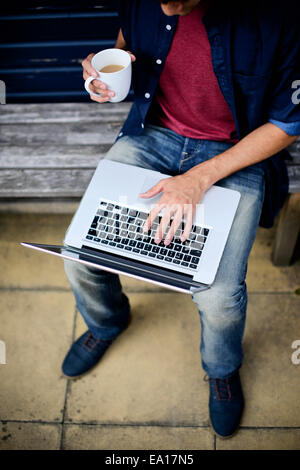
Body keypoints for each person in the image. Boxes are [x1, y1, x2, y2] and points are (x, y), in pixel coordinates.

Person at [62, 0, 300, 438]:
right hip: (153, 133)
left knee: (219, 292)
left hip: (233, 153)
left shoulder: (281, 15)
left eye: (180, 0)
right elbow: (127, 40)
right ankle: (107, 322)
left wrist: (200, 178)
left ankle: (222, 369)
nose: (168, 7)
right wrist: (102, 69)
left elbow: (289, 123)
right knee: (79, 253)